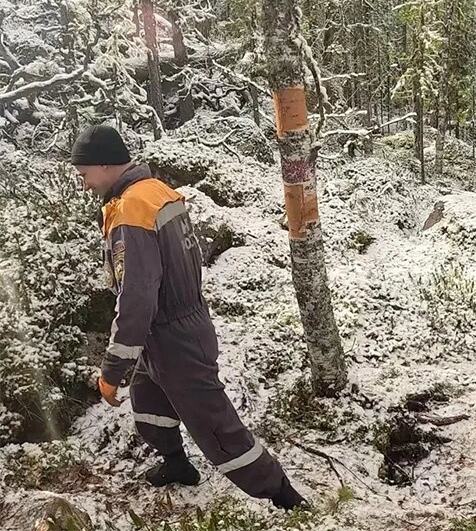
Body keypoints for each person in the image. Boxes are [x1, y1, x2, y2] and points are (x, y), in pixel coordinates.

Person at [71, 124, 306, 510]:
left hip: (172, 337)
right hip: (170, 327)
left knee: (216, 426)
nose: (84, 185)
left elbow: (137, 297)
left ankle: (283, 494)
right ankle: (177, 465)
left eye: (84, 175)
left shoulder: (132, 208)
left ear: (102, 163)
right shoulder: (156, 191)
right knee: (148, 401)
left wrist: (112, 371)